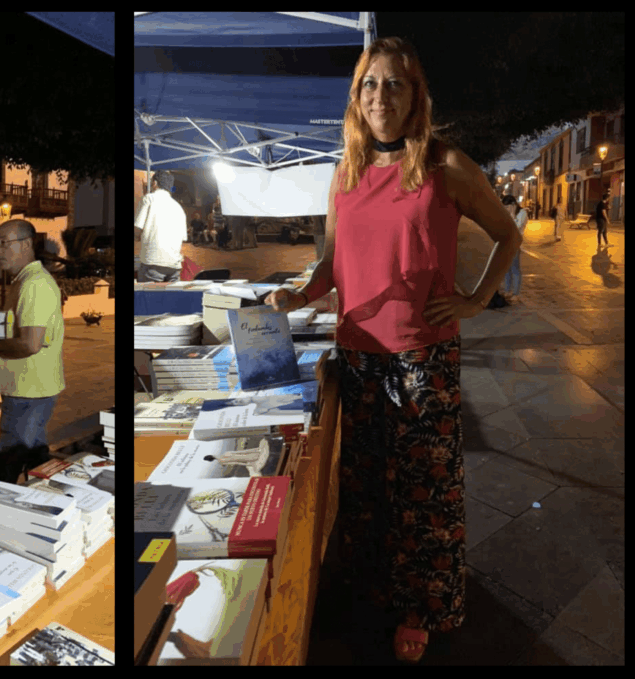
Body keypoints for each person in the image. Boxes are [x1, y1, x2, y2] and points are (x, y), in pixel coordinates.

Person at [266, 37, 522, 663]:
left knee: (423, 490)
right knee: (366, 484)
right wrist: (300, 294)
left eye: (394, 83)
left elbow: (506, 236)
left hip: (421, 358)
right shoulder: (345, 172)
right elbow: (333, 262)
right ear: (357, 96)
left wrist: (474, 300)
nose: (380, 95)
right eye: (370, 84)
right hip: (357, 354)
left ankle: (420, 607)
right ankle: (376, 588)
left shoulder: (445, 165)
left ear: (415, 96)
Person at [0, 219, 65, 484]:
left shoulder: (34, 285)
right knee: (35, 456)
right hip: (30, 387)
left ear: (26, 244)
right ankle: (45, 498)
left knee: (7, 459)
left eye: (4, 243)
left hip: (29, 390)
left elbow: (30, 344)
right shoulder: (24, 281)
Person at [134, 171, 188, 282]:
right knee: (170, 294)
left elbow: (137, 229)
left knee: (148, 294)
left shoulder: (149, 199)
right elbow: (183, 238)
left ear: (155, 183)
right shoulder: (179, 207)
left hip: (153, 263)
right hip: (174, 266)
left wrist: (138, 236)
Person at [500, 195, 528, 304]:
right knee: (507, 269)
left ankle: (516, 294)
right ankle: (508, 291)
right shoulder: (508, 213)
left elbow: (516, 227)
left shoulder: (522, 213)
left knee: (515, 268)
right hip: (506, 243)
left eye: (507, 207)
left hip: (515, 243)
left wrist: (511, 215)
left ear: (513, 204)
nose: (506, 209)